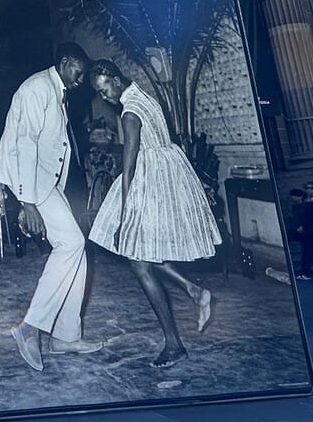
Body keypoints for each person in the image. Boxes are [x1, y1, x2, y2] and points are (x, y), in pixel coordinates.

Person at [87, 60, 222, 369]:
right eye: (99, 92)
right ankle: (194, 290)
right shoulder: (145, 95)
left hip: (150, 184)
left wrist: (123, 215)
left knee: (140, 264)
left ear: (117, 80)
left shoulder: (130, 111)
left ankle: (174, 344)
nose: (105, 95)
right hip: (168, 174)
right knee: (143, 257)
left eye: (106, 88)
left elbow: (130, 165)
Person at [0, 43, 103, 372]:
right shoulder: (37, 87)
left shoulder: (56, 90)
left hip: (46, 180)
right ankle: (30, 326)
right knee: (72, 243)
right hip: (33, 182)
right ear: (65, 63)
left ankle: (66, 335)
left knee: (76, 249)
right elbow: (23, 142)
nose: (81, 79)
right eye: (78, 72)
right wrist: (26, 203)